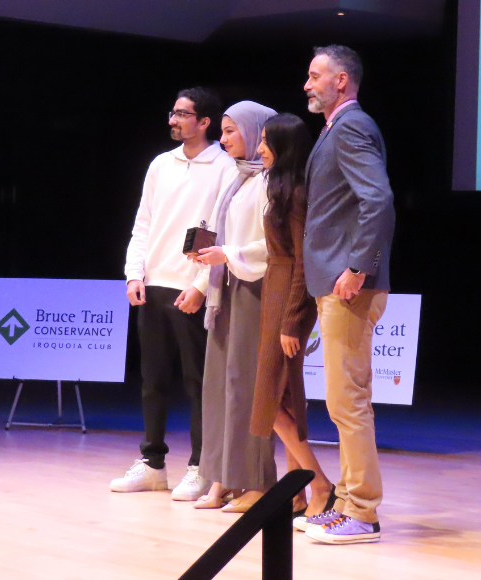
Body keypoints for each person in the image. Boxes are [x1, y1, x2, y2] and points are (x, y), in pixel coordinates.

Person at [113, 88, 234, 501]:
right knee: (152, 380)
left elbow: (225, 231)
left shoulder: (224, 167)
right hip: (155, 282)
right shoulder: (161, 165)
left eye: (183, 114)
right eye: (173, 112)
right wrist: (134, 274)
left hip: (193, 287)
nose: (173, 120)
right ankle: (152, 464)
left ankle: (201, 465)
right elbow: (143, 222)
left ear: (205, 122)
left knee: (197, 381)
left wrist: (201, 286)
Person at [298, 45, 396, 545]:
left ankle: (362, 512)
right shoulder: (336, 128)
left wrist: (358, 266)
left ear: (341, 80)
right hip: (336, 282)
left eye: (314, 76)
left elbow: (377, 199)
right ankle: (348, 504)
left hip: (349, 284)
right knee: (343, 400)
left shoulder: (353, 125)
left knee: (348, 402)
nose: (306, 84)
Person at [248, 113, 337, 525]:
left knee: (271, 400)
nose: (260, 148)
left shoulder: (298, 193)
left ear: (285, 147)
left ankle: (319, 482)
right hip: (275, 289)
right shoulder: (281, 188)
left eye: (267, 142)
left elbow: (304, 262)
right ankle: (298, 492)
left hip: (290, 297)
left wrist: (292, 320)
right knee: (277, 399)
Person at [190, 101, 278, 513]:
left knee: (246, 389)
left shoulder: (272, 182)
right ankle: (221, 477)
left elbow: (274, 248)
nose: (223, 140)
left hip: (253, 291)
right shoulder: (239, 179)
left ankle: (256, 480)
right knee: (218, 387)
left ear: (257, 130)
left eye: (231, 131)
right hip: (225, 290)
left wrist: (227, 254)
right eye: (223, 131)